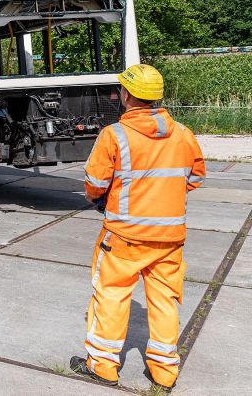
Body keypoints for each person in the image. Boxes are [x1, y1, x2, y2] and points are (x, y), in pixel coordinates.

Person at [70, 63, 205, 391]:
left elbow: (94, 184)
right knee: (163, 300)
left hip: (124, 236)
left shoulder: (114, 134)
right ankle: (163, 370)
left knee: (112, 294)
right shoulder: (184, 134)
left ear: (126, 95)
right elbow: (196, 176)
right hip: (170, 238)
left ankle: (103, 365)